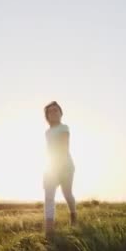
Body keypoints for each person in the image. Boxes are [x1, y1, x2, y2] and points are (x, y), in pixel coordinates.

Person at [43, 101, 76, 238]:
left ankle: (73, 214)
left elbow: (64, 147)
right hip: (51, 166)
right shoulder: (48, 132)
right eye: (50, 111)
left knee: (67, 193)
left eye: (56, 110)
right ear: (47, 116)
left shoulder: (64, 128)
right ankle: (49, 230)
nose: (54, 113)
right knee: (49, 196)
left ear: (61, 113)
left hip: (65, 165)